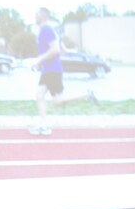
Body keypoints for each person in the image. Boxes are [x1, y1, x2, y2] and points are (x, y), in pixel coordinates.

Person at [30, 7, 97, 135]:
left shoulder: (46, 30)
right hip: (50, 69)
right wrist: (44, 61)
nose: (35, 16)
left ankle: (44, 126)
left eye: (36, 14)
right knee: (43, 96)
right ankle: (43, 125)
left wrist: (40, 60)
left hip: (52, 70)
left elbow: (55, 50)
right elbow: (63, 50)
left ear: (43, 16)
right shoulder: (52, 31)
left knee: (54, 100)